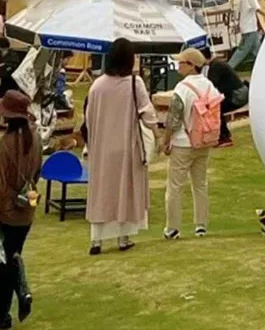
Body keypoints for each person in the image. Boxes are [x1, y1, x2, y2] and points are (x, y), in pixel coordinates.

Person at [85, 38, 157, 255]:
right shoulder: (135, 84)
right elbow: (147, 113)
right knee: (125, 190)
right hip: (127, 146)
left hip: (102, 147)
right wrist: (156, 132)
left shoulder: (97, 86)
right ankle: (123, 238)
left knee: (101, 191)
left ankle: (96, 240)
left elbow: (88, 119)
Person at [163, 48, 222, 240]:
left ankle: (172, 227)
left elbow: (174, 118)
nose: (178, 65)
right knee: (200, 184)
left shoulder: (182, 88)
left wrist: (166, 140)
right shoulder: (209, 86)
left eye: (182, 62)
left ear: (191, 65)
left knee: (175, 186)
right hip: (203, 141)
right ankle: (201, 225)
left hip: (182, 142)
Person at [0, 91, 41, 330]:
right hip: (27, 208)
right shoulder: (35, 139)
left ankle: (5, 311)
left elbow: (2, 188)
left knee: (5, 263)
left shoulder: (5, 146)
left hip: (6, 212)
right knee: (12, 256)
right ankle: (21, 294)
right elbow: (37, 173)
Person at [228, 0, 265, 71]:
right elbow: (258, 9)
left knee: (257, 49)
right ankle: (228, 67)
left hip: (247, 26)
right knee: (242, 51)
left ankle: (264, 65)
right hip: (249, 28)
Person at [206, 55, 248, 148]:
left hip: (237, 95)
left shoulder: (215, 66)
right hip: (239, 93)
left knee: (215, 107)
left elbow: (210, 84)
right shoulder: (217, 63)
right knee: (216, 106)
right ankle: (224, 134)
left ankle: (224, 138)